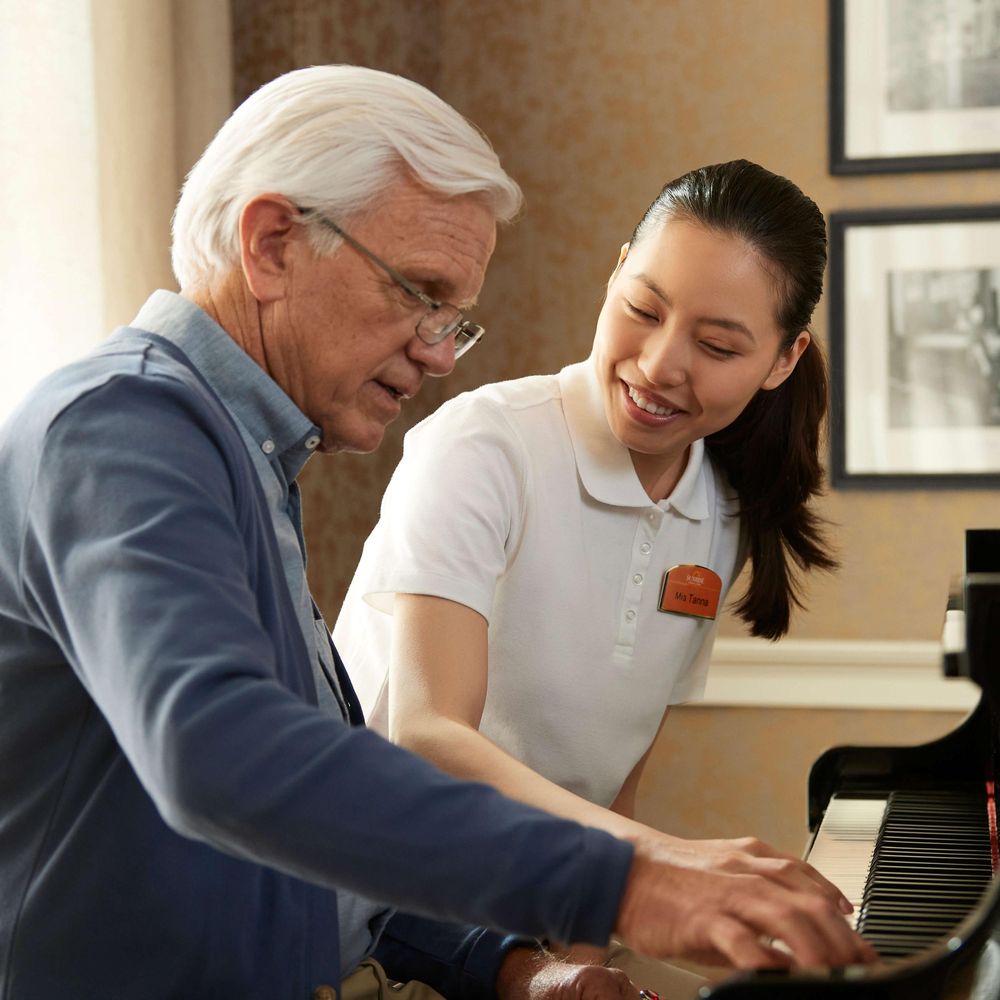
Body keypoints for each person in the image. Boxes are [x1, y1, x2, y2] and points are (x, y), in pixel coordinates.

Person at [0, 64, 874, 1000]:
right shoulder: (123, 426)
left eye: (454, 318)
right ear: (271, 244)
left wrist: (517, 970)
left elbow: (319, 859)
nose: (435, 352)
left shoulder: (248, 461)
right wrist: (628, 880)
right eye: (419, 293)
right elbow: (218, 755)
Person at [333, 159, 844, 988]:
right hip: (383, 913)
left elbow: (614, 776)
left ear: (784, 360)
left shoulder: (720, 513)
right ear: (613, 276)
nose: (660, 364)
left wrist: (581, 966)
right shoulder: (487, 446)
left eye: (717, 346)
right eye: (641, 309)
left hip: (536, 929)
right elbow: (429, 735)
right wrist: (666, 863)